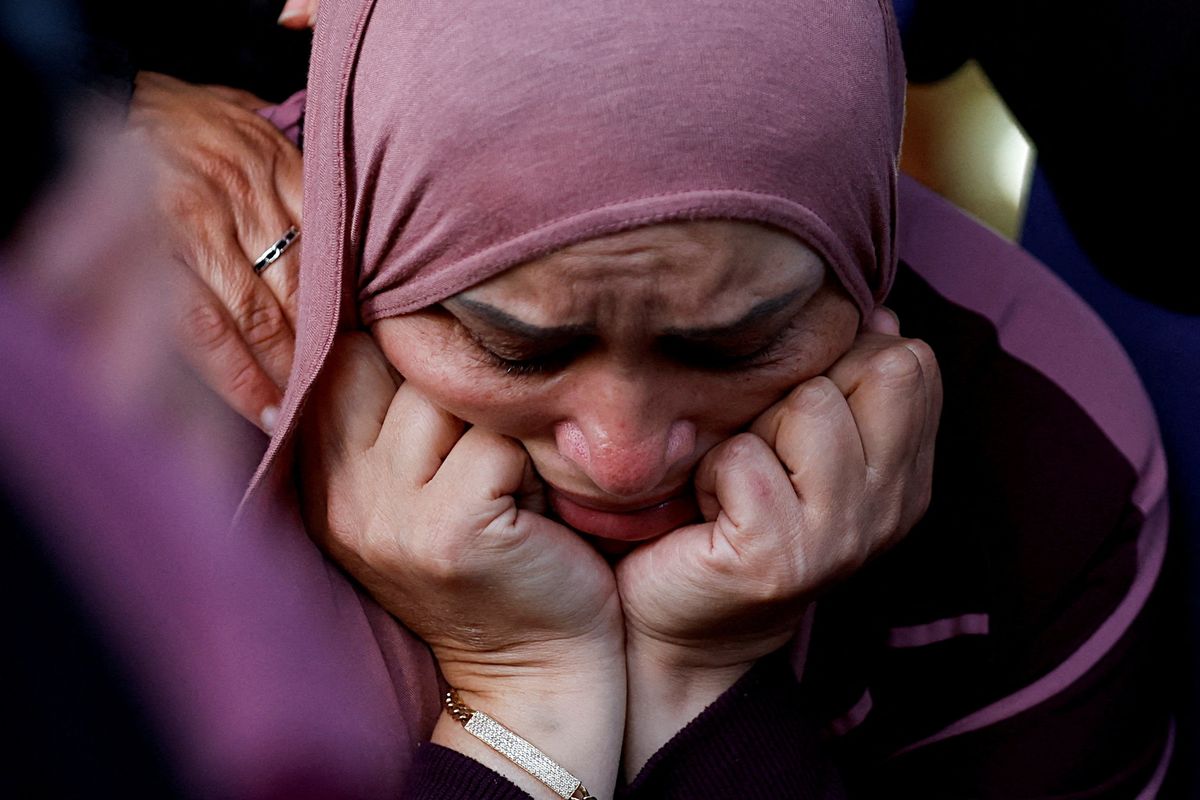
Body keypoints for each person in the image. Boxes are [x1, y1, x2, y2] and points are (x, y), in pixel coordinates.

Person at [234, 0, 1174, 796]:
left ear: (864, 261)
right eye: (514, 347)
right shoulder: (150, 410)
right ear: (360, 266)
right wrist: (520, 699)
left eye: (739, 344)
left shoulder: (1049, 455)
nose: (625, 457)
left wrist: (701, 690)